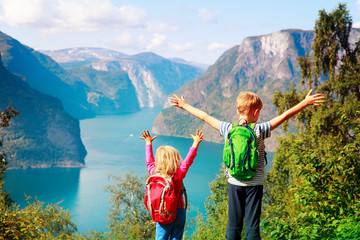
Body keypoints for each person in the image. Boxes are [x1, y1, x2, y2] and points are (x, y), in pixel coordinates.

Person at [170, 89, 324, 240]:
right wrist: (304, 103)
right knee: (252, 227)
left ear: (238, 110)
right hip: (254, 184)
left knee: (233, 226)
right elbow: (284, 116)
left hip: (234, 182)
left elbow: (204, 116)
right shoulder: (259, 130)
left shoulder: (228, 129)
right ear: (255, 112)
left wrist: (184, 105)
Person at [140, 129, 205, 240]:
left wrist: (148, 143)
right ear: (175, 159)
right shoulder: (178, 174)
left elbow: (149, 161)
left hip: (163, 213)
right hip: (179, 212)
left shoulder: (154, 172)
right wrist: (195, 143)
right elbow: (188, 160)